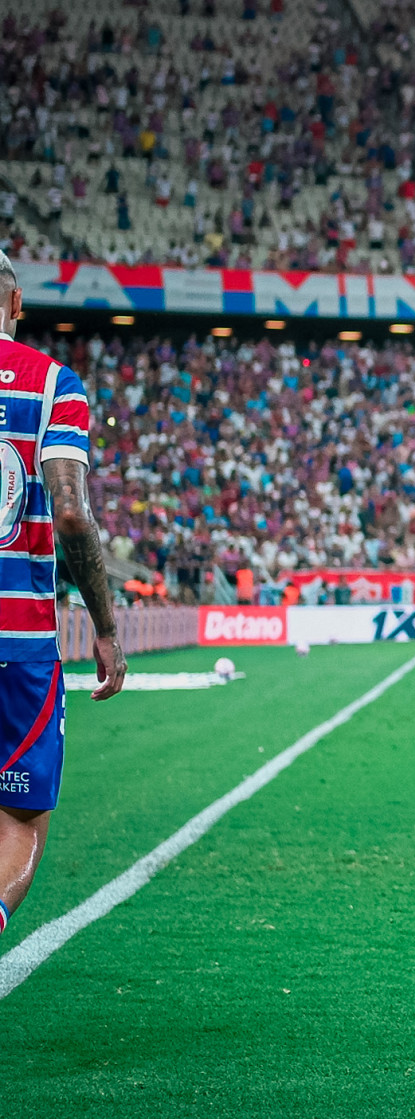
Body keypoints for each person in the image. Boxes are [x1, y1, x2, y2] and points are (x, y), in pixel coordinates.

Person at [0, 249, 127, 938]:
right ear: (17, 305)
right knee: (18, 821)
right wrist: (105, 626)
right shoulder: (52, 384)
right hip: (18, 644)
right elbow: (71, 513)